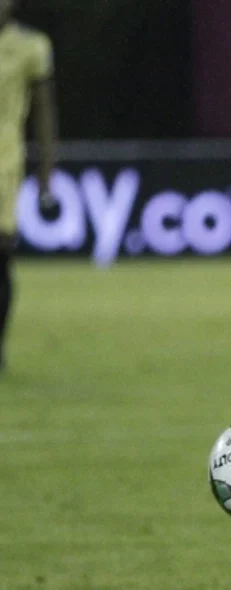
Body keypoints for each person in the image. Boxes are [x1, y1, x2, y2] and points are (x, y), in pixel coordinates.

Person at [0, 0, 57, 374]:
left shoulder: (31, 47)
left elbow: (44, 113)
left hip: (3, 164)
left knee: (0, 257)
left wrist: (46, 175)